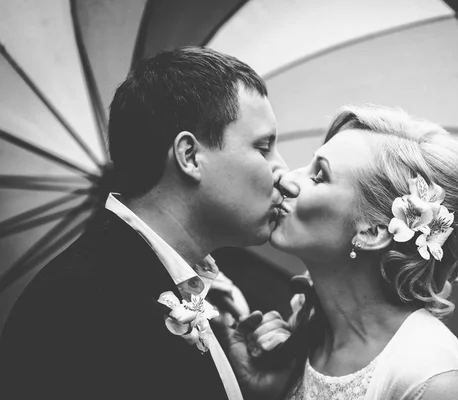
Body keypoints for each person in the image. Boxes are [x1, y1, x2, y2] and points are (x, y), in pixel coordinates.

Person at [0, 47, 295, 400]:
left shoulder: (184, 286)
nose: (284, 173)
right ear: (189, 156)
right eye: (263, 148)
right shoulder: (81, 307)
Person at [265, 104, 458, 399]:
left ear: (373, 232)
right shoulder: (307, 336)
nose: (287, 179)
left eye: (319, 176)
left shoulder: (427, 375)